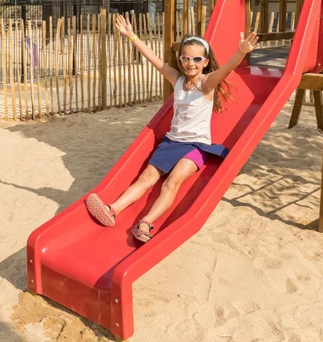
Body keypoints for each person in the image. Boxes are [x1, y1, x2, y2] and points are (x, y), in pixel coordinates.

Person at [86, 14, 258, 243]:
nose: (191, 63)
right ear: (180, 59)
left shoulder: (206, 83)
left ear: (205, 62)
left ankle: (146, 223)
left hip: (196, 146)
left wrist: (241, 52)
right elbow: (153, 58)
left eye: (197, 59)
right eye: (186, 58)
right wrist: (131, 35)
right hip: (172, 141)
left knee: (172, 182)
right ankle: (112, 209)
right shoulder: (177, 79)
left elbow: (226, 69)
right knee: (146, 178)